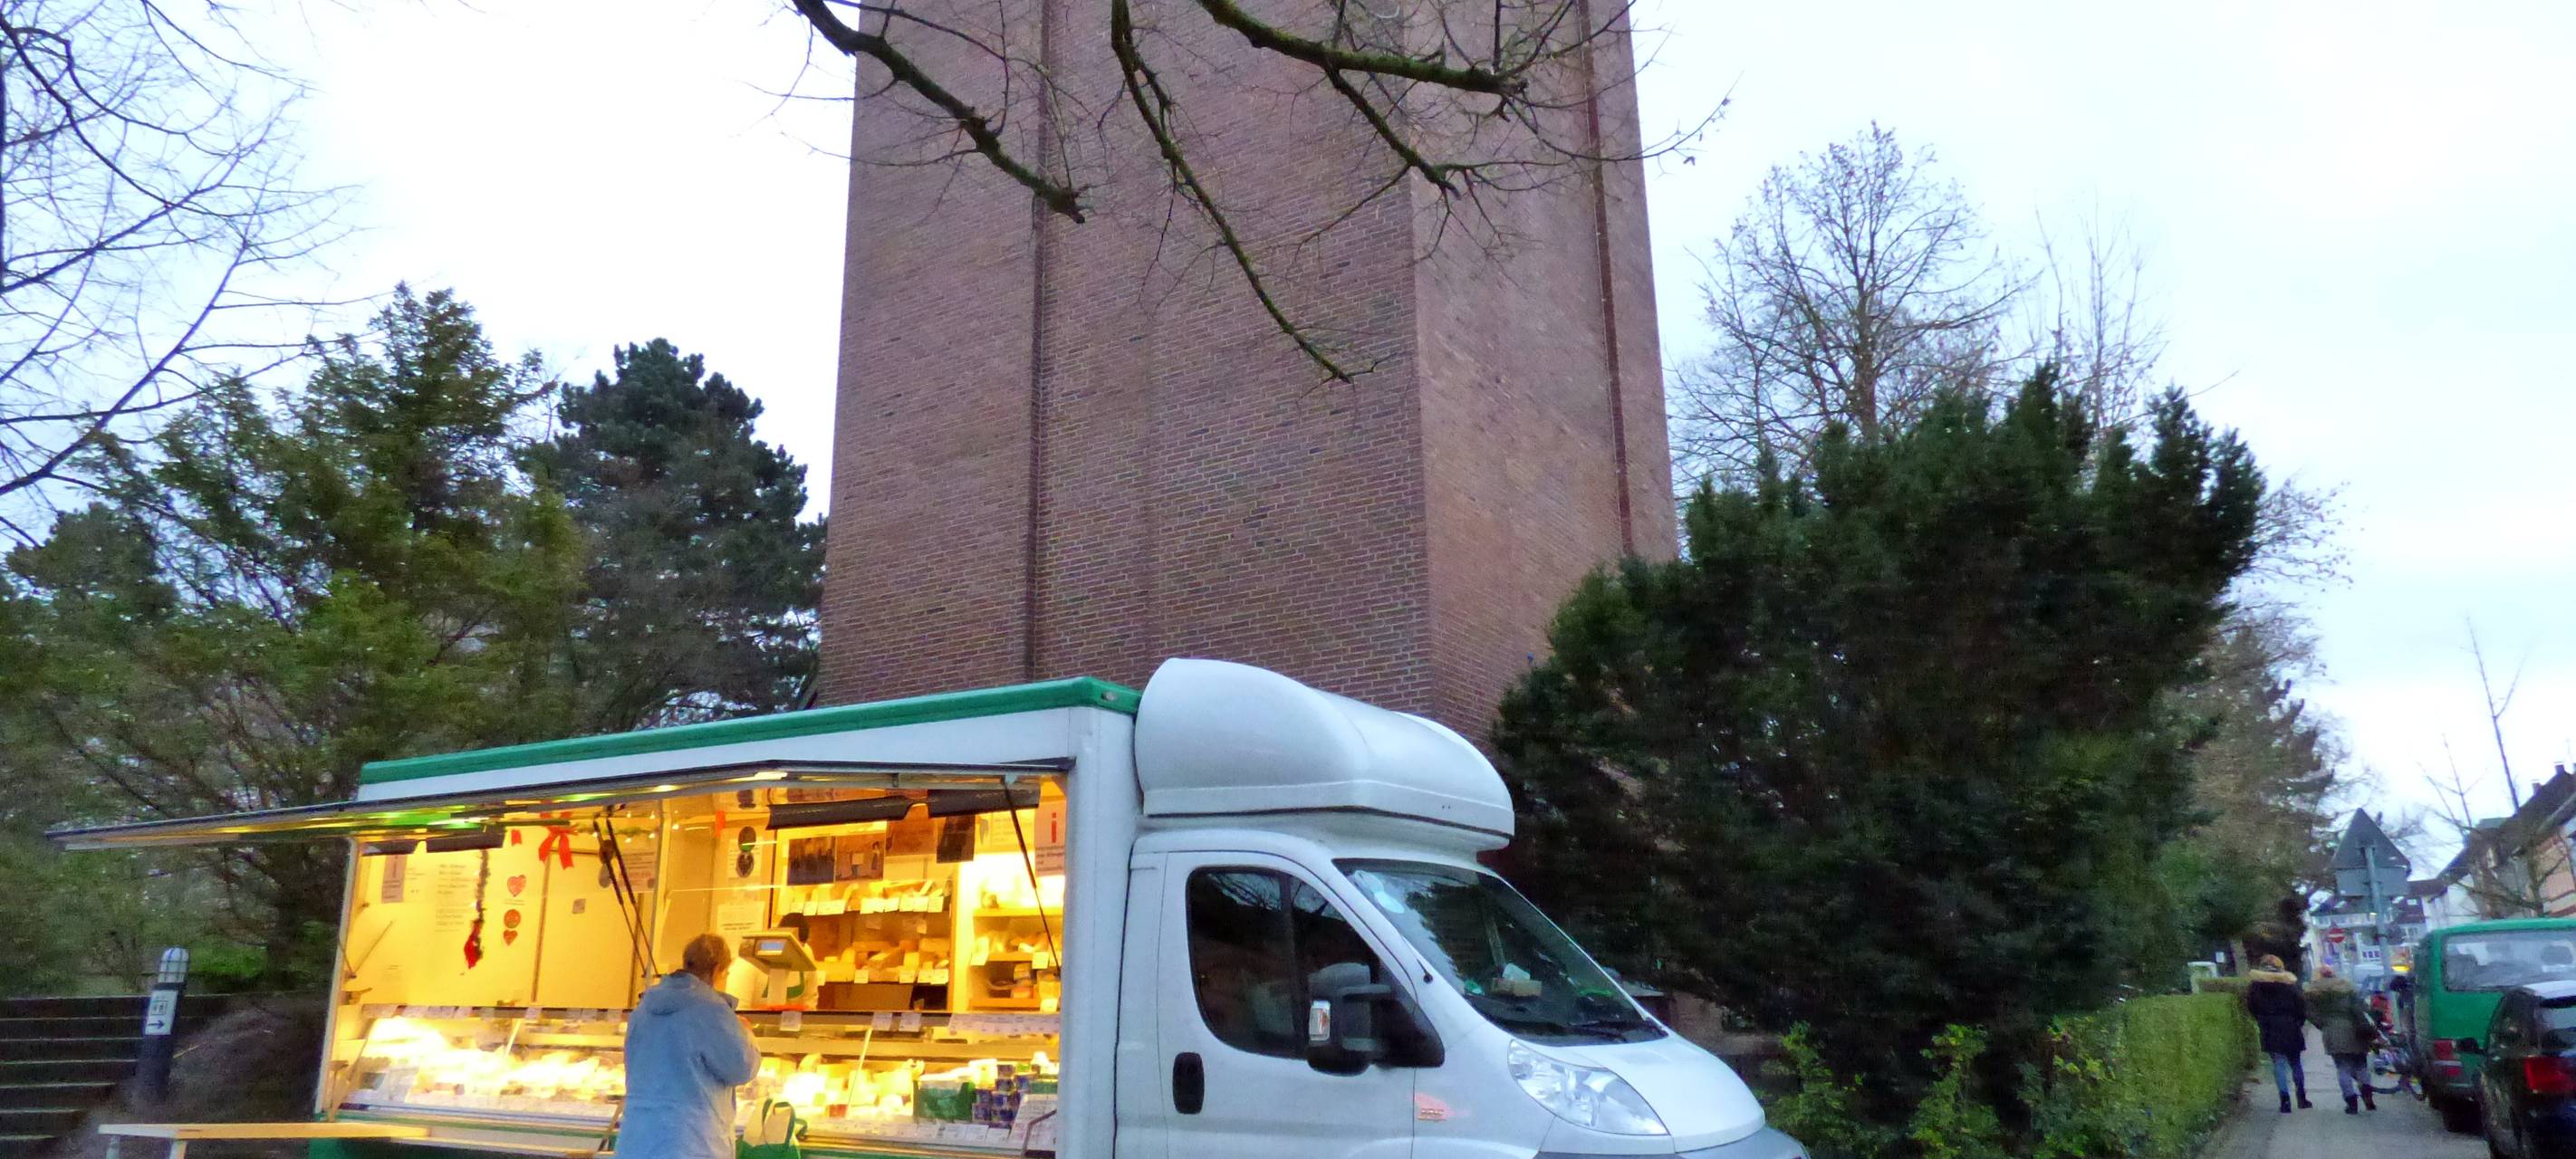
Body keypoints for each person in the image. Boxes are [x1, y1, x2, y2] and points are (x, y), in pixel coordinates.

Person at [623, 934, 763, 1159]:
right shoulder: (712, 1011)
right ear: (717, 970)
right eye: (726, 973)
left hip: (637, 1140)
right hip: (691, 1143)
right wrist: (746, 1034)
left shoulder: (643, 1008)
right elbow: (742, 1067)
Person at [2307, 965, 2386, 1114]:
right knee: (2361, 1066)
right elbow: (2363, 1008)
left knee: (2343, 1067)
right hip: (2356, 1030)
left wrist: (2323, 1024)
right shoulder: (2347, 988)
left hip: (2332, 1031)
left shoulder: (2314, 992)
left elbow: (2310, 1014)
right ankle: (2368, 1098)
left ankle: (2351, 1103)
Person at [2244, 954, 2312, 1113]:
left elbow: (2252, 1007)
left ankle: (2285, 1101)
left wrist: (2262, 1020)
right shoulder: (2289, 984)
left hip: (2269, 1027)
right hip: (2290, 1026)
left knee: (2278, 1064)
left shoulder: (2256, 986)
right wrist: (2298, 1022)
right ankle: (2301, 1097)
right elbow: (2301, 1006)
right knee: (2295, 1063)